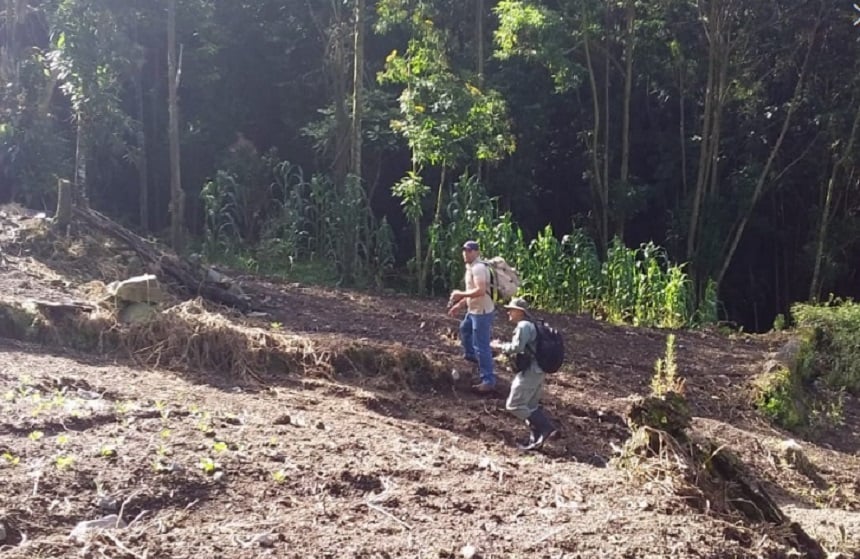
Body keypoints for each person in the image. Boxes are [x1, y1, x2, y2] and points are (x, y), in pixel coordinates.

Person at [490, 297, 559, 451]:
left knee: (514, 405)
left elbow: (517, 347)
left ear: (520, 312)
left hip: (531, 372)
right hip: (538, 371)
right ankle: (535, 441)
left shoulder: (523, 326)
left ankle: (546, 427)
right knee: (530, 406)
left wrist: (499, 346)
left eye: (511, 309)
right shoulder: (532, 325)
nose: (508, 312)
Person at [448, 240, 496, 393]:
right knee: (464, 328)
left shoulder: (479, 268)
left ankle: (488, 380)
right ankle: (471, 356)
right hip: (473, 310)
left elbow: (480, 291)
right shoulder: (470, 268)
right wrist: (460, 304)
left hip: (481, 312)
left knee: (482, 345)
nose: (465, 253)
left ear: (476, 252)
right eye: (464, 250)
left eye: (469, 250)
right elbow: (472, 291)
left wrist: (459, 294)